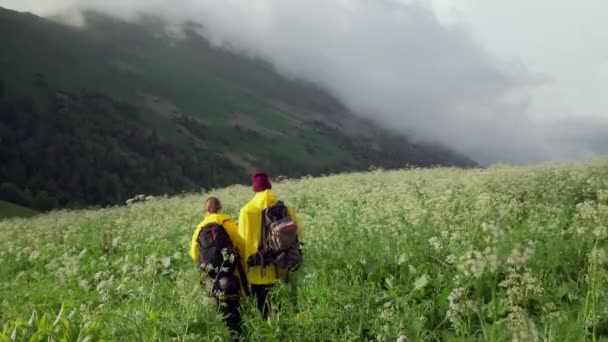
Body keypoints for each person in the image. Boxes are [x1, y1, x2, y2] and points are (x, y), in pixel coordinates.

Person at [238, 172, 304, 318]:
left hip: (258, 271)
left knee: (264, 311)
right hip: (281, 265)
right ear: (269, 185)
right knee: (281, 309)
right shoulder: (282, 207)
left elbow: (241, 242)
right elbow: (298, 231)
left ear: (254, 188)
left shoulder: (247, 210)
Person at [189, 197, 247, 338]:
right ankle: (239, 335)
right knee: (234, 305)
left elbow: (194, 254)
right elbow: (240, 242)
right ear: (220, 208)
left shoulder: (200, 227)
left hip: (212, 276)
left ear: (205, 210)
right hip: (230, 273)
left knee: (220, 305)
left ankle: (225, 333)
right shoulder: (225, 221)